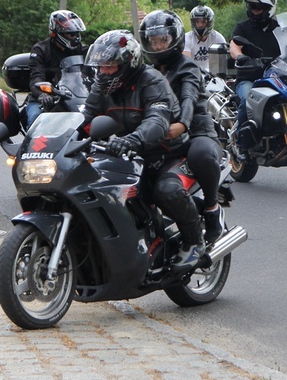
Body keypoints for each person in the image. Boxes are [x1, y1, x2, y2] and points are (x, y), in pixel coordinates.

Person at [83, 30, 206, 270]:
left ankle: (195, 242)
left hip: (165, 154)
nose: (104, 72)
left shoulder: (151, 80)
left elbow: (158, 121)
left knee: (166, 190)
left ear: (129, 63)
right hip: (126, 155)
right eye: (101, 67)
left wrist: (131, 139)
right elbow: (86, 118)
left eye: (110, 66)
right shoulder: (102, 84)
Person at [140, 10, 225, 244]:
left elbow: (187, 98)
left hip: (196, 131)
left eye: (162, 41)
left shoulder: (186, 67)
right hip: (162, 137)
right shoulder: (147, 72)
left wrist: (183, 124)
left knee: (202, 155)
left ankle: (211, 209)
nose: (157, 46)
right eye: (153, 41)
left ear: (174, 39)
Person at [229, 0, 283, 160]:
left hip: (277, 78)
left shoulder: (279, 27)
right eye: (252, 7)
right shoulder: (243, 28)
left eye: (259, 7)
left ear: (269, 8)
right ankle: (241, 145)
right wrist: (240, 57)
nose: (255, 10)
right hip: (249, 78)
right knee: (248, 99)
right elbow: (234, 46)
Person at [26, 10, 88, 129]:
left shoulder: (81, 49)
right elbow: (36, 76)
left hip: (73, 98)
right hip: (46, 99)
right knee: (35, 121)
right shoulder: (40, 49)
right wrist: (42, 94)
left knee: (97, 122)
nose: (75, 38)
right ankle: (33, 147)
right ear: (56, 33)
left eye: (76, 34)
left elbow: (93, 68)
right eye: (71, 34)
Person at [183, 5, 227, 72]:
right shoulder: (186, 38)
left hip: (214, 76)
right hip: (193, 75)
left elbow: (222, 62)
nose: (200, 25)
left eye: (203, 22)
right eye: (197, 22)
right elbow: (187, 62)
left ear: (209, 22)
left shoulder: (218, 38)